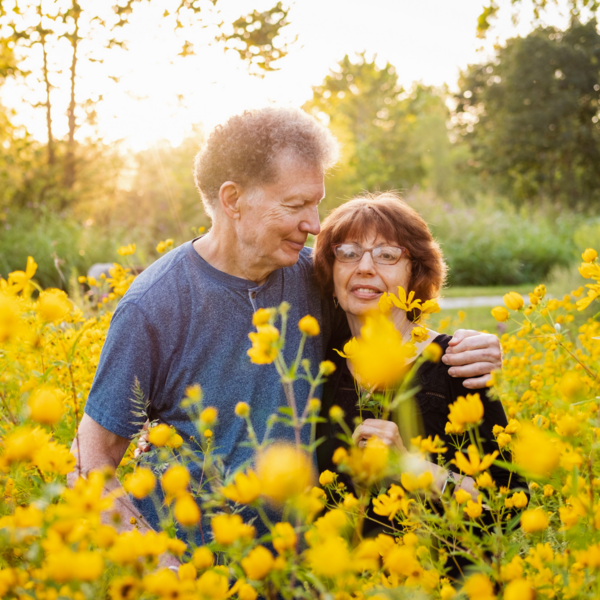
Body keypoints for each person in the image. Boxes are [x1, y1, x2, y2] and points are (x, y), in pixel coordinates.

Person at [68, 108, 502, 565]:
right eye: (295, 206)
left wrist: (471, 346)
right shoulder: (154, 305)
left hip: (301, 576)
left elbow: (393, 328)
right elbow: (89, 462)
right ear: (233, 199)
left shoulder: (312, 279)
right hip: (196, 575)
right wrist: (161, 568)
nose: (315, 224)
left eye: (317, 203)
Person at [313, 193, 525, 566]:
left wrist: (412, 468)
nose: (364, 267)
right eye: (347, 252)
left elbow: (508, 507)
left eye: (387, 255)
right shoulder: (317, 369)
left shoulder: (456, 365)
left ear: (416, 273)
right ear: (330, 276)